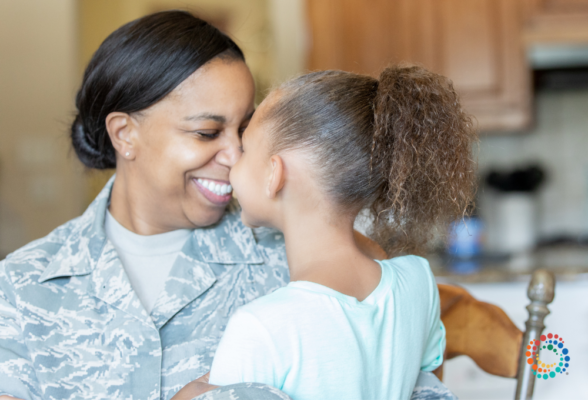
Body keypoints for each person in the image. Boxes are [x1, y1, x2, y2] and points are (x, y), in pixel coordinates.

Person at [0, 10, 458, 400]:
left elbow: (411, 382)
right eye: (206, 132)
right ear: (125, 134)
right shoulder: (21, 288)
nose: (237, 157)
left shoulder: (309, 256)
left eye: (244, 130)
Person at [207, 67, 477, 400]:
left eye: (245, 149)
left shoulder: (260, 329)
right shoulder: (418, 280)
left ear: (274, 174)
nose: (231, 160)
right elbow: (429, 383)